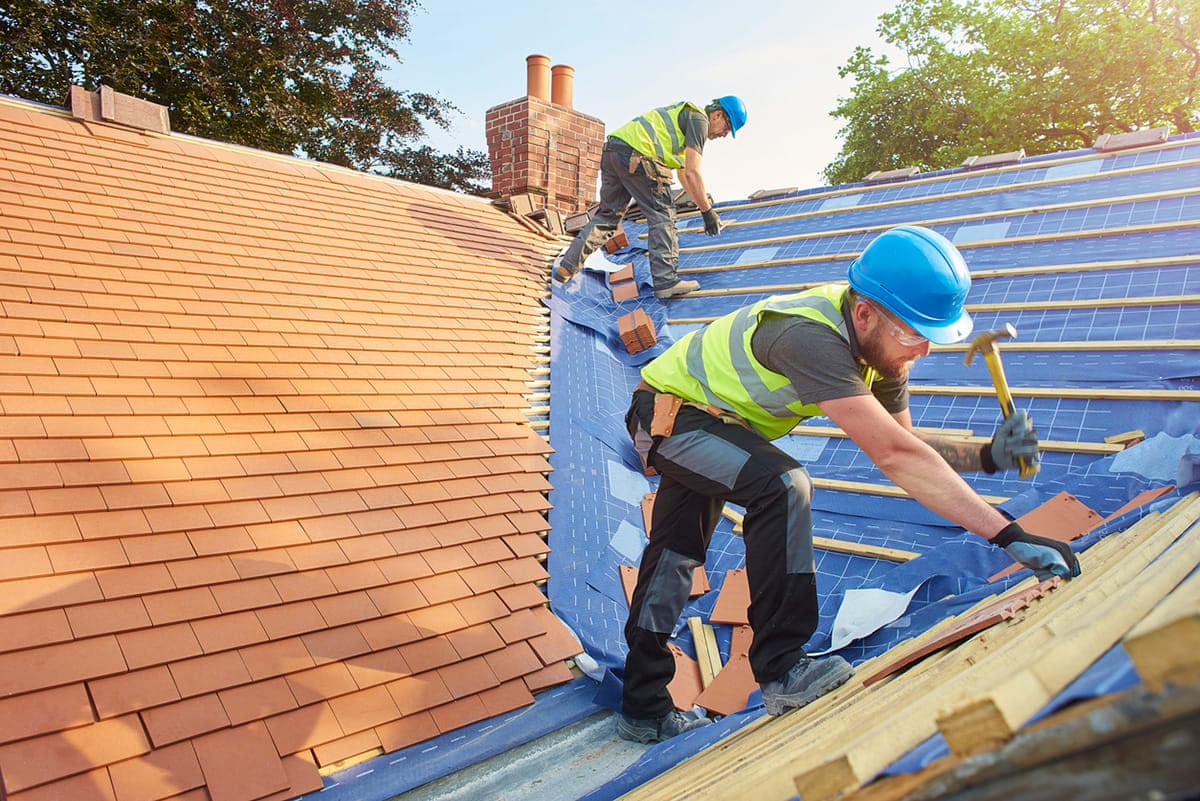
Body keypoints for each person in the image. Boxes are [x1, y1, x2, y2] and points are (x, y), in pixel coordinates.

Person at [616, 225, 1081, 743]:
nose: (922, 350)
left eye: (931, 336)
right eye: (913, 334)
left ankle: (643, 706)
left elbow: (904, 446)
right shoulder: (808, 337)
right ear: (864, 314)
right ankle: (782, 668)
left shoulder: (884, 350)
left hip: (715, 423)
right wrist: (1008, 535)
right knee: (784, 486)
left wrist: (986, 456)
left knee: (675, 557)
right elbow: (897, 457)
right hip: (668, 415)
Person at [553, 96, 747, 300]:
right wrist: (708, 212)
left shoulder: (684, 122)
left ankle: (567, 267)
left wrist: (703, 207)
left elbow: (684, 176)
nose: (725, 134)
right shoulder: (700, 121)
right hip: (639, 156)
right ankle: (666, 281)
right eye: (727, 127)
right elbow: (693, 172)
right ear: (717, 114)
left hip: (613, 152)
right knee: (663, 215)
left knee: (607, 218)